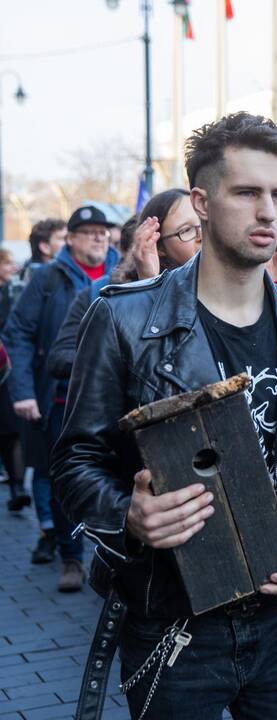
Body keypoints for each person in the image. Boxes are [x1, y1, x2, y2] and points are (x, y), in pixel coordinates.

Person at [52, 112, 277, 719]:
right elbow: (74, 461)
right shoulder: (123, 321)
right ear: (201, 201)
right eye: (247, 192)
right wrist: (129, 516)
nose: (268, 212)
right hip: (172, 622)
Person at [3, 204, 120, 591]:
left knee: (114, 478)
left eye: (103, 231)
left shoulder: (125, 271)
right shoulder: (47, 278)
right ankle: (72, 559)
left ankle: (111, 557)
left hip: (112, 401)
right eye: (89, 232)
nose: (99, 237)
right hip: (60, 400)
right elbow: (18, 334)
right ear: (70, 239)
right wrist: (21, 392)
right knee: (63, 479)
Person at [46, 190, 201, 383]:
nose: (200, 235)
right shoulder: (103, 294)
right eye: (186, 230)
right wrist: (150, 288)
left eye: (102, 232)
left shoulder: (225, 287)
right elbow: (59, 358)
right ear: (154, 247)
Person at [0, 248, 28, 512]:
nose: (12, 267)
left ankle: (18, 486)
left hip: (5, 372)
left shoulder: (15, 291)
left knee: (11, 431)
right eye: (6, 263)